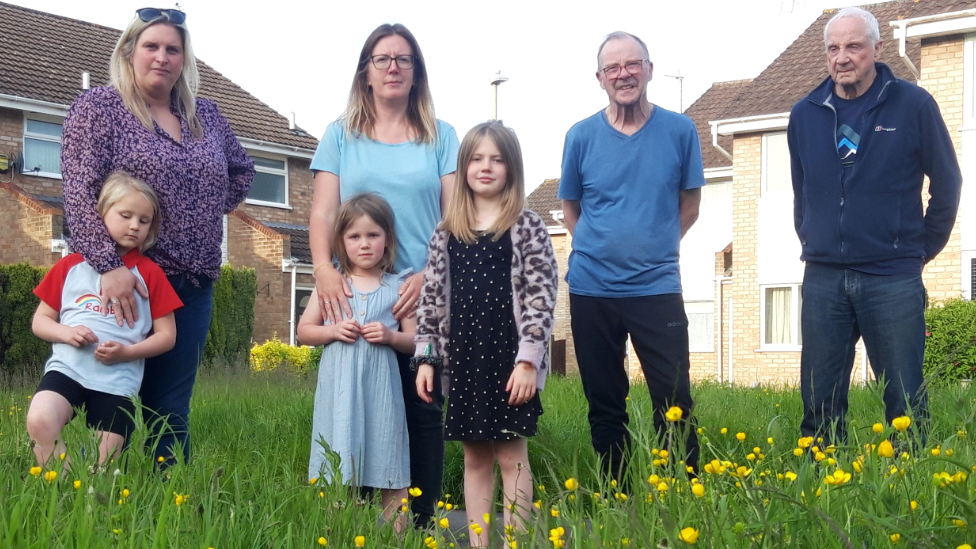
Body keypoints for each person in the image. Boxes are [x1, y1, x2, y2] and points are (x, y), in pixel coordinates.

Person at [60, 8, 255, 467]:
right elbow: (79, 193)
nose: (162, 57)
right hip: (125, 282)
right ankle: (95, 497)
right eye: (151, 46)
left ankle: (171, 503)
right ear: (129, 52)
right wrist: (110, 266)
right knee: (110, 399)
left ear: (184, 58)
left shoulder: (205, 113)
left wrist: (200, 211)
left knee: (170, 409)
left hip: (190, 284)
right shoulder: (99, 109)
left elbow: (242, 170)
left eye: (173, 48)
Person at [788, 7, 962, 445]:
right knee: (819, 401)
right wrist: (812, 236)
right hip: (824, 277)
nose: (842, 57)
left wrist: (920, 248)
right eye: (833, 48)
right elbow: (801, 189)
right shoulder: (805, 113)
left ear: (876, 49)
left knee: (904, 399)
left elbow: (947, 182)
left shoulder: (913, 104)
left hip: (892, 276)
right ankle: (824, 486)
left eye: (853, 46)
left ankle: (913, 486)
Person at [308, 23, 459, 525]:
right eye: (382, 59)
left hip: (420, 294)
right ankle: (353, 523)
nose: (393, 67)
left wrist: (432, 273)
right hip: (355, 293)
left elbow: (454, 216)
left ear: (417, 73)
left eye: (403, 59)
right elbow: (324, 215)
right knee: (357, 413)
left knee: (421, 411)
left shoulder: (442, 136)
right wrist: (324, 272)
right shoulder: (339, 135)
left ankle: (415, 526)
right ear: (366, 72)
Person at [559, 31, 704, 480]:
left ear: (649, 69)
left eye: (632, 64)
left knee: (674, 397)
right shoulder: (580, 136)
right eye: (613, 68)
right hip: (591, 289)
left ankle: (685, 494)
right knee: (604, 402)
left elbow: (691, 205)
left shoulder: (680, 130)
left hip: (656, 287)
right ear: (600, 79)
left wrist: (656, 247)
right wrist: (603, 251)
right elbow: (570, 211)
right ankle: (616, 498)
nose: (624, 74)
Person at [414, 121, 557, 547]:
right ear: (464, 166)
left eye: (496, 159)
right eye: (477, 158)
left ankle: (515, 543)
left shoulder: (527, 225)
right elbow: (431, 300)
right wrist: (425, 358)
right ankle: (479, 544)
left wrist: (529, 360)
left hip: (512, 363)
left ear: (511, 168)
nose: (486, 167)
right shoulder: (446, 232)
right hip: (464, 361)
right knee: (475, 457)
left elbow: (541, 295)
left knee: (512, 457)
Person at [26, 172, 182, 468]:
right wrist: (65, 332)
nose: (135, 225)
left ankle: (91, 499)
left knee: (105, 465)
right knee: (40, 420)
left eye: (144, 220)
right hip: (67, 370)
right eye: (126, 215)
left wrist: (128, 353)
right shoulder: (70, 265)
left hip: (117, 382)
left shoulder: (151, 273)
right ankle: (63, 488)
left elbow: (167, 335)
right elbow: (41, 321)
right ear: (101, 213)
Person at [299, 193, 415, 531]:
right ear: (341, 241)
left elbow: (418, 342)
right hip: (339, 395)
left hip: (382, 397)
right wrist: (333, 330)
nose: (364, 244)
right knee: (338, 460)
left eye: (373, 235)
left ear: (387, 240)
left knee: (389, 457)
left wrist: (392, 337)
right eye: (354, 236)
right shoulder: (333, 286)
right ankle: (339, 535)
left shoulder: (399, 287)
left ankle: (398, 536)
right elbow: (304, 332)